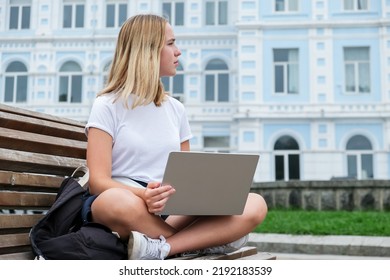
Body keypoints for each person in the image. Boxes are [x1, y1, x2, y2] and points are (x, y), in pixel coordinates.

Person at [85, 14, 268, 260]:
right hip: (128, 204)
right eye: (171, 43)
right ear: (147, 50)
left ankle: (162, 248)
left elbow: (185, 177)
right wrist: (144, 196)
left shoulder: (175, 109)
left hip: (167, 211)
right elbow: (98, 181)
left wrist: (205, 193)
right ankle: (203, 242)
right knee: (115, 201)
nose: (178, 52)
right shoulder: (107, 105)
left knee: (255, 203)